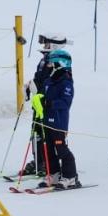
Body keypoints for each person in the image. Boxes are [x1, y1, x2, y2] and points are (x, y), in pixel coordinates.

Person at [23, 32, 67, 176]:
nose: (44, 46)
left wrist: (42, 94)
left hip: (48, 104)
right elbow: (38, 78)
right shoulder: (43, 61)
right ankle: (38, 160)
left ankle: (46, 163)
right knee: (36, 131)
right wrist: (29, 87)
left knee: (46, 134)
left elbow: (52, 83)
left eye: (46, 44)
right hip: (38, 103)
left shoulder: (58, 63)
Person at [34, 48, 79, 188]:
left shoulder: (66, 82)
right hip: (47, 119)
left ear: (59, 64)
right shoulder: (49, 81)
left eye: (51, 64)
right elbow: (44, 95)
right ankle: (53, 174)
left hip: (59, 121)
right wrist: (39, 99)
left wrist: (49, 103)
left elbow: (65, 102)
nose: (49, 66)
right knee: (46, 148)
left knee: (61, 148)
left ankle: (70, 176)